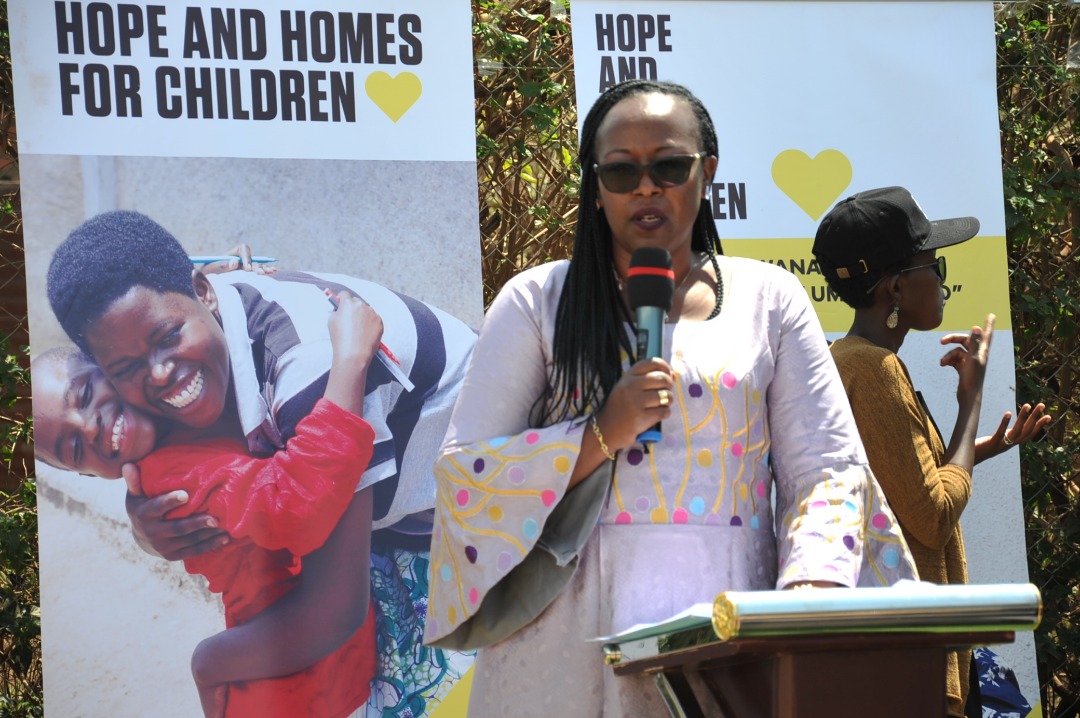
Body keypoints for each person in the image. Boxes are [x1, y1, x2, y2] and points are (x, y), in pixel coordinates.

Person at [423, 79, 917, 716]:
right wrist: (601, 432)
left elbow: (827, 471)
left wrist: (807, 597)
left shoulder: (770, 301)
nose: (647, 188)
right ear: (596, 187)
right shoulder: (537, 301)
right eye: (622, 172)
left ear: (706, 172)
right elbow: (466, 473)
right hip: (565, 640)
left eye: (669, 166)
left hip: (727, 625)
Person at [45, 210, 477, 716]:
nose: (159, 373)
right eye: (126, 368)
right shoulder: (191, 339)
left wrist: (207, 663)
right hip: (390, 517)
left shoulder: (318, 365)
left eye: (166, 338)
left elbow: (332, 612)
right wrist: (145, 521)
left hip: (474, 516)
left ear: (203, 292)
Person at [32, 287, 384, 717]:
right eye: (72, 448)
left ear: (110, 367)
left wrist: (219, 275)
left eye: (85, 395)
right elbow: (294, 503)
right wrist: (350, 360)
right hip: (293, 675)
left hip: (296, 659)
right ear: (85, 475)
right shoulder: (170, 477)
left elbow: (149, 297)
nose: (89, 428)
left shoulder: (172, 429)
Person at [811, 186, 1051, 717]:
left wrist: (986, 446)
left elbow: (900, 484)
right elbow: (933, 514)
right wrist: (970, 405)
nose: (942, 280)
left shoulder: (848, 358)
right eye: (933, 265)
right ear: (896, 287)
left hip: (887, 658)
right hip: (906, 663)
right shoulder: (874, 371)